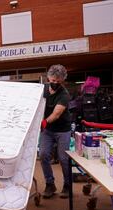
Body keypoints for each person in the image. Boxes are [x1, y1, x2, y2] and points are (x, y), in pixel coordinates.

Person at [39, 64, 71, 199]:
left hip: (63, 130)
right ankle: (50, 184)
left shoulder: (64, 94)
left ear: (62, 81)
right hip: (48, 131)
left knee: (63, 158)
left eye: (58, 82)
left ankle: (67, 186)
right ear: (48, 78)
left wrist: (44, 123)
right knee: (43, 154)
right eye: (53, 81)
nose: (55, 84)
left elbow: (56, 114)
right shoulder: (42, 90)